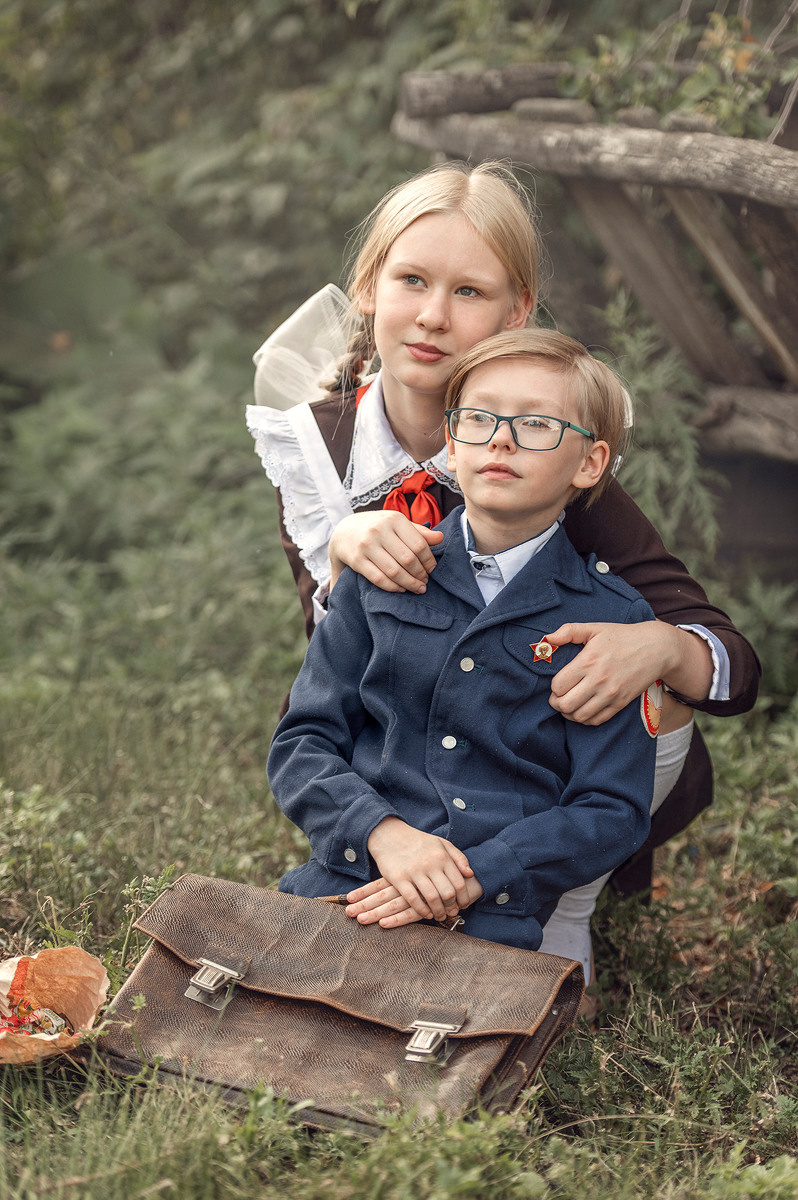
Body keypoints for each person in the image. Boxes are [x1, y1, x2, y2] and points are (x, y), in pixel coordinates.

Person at [247, 160, 760, 965]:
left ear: (515, 309)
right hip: (402, 731)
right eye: (412, 280)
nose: (432, 318)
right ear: (370, 285)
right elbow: (337, 662)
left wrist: (662, 646)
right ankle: (399, 857)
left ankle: (561, 905)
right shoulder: (316, 445)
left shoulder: (548, 451)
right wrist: (339, 550)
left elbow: (731, 656)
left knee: (653, 663)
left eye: (470, 292)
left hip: (528, 744)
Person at [268, 329, 663, 966]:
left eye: (536, 424)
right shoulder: (382, 577)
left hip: (490, 922)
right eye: (478, 418)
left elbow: (610, 810)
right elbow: (302, 743)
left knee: (442, 1055)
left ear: (590, 463)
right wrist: (385, 837)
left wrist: (476, 875)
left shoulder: (611, 620)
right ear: (452, 446)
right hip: (349, 887)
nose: (501, 439)